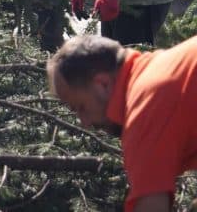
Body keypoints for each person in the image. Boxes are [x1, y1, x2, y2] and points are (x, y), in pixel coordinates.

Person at [46, 34, 197, 212]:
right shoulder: (161, 68)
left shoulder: (143, 107)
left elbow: (151, 206)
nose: (84, 122)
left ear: (103, 84)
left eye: (81, 107)